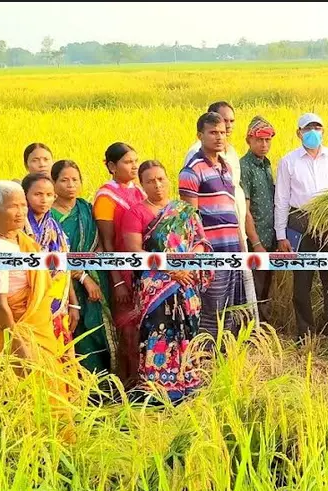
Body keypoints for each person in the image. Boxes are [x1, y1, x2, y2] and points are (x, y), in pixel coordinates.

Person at [123, 160, 213, 404]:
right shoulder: (136, 213)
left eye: (161, 179)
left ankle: (188, 382)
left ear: (168, 179)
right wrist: (169, 269)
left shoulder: (184, 211)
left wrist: (188, 265)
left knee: (188, 332)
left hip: (186, 282)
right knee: (158, 334)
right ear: (142, 184)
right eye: (150, 181)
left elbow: (200, 243)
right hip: (155, 285)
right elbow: (134, 251)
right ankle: (157, 389)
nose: (157, 185)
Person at [0, 180, 66, 368]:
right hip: (19, 330)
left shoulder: (22, 240)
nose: (21, 212)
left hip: (39, 326)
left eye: (23, 205)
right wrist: (19, 345)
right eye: (13, 206)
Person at [274, 112, 328, 340]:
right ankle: (305, 332)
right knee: (302, 283)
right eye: (308, 129)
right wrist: (280, 235)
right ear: (299, 133)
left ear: (323, 131)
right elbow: (282, 199)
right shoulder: (288, 161)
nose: (313, 132)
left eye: (317, 127)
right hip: (301, 225)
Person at [180, 111, 248, 341]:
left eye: (221, 132)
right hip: (211, 252)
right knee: (213, 308)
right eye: (212, 133)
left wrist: (240, 244)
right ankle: (206, 358)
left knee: (231, 307)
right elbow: (191, 219)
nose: (219, 137)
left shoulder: (226, 168)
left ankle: (226, 354)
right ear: (200, 135)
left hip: (232, 249)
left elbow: (231, 211)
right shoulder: (192, 170)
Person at [50, 160, 115, 375]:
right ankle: (81, 384)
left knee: (98, 330)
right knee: (75, 332)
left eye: (75, 180)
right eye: (64, 180)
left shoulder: (86, 209)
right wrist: (83, 277)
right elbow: (55, 256)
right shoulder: (48, 216)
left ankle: (105, 384)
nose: (70, 185)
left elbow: (96, 244)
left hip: (96, 279)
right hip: (65, 284)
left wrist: (91, 274)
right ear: (53, 182)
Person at [93, 142, 145, 387]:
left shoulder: (139, 192)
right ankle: (126, 384)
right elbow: (107, 245)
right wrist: (119, 282)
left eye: (135, 160)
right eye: (127, 162)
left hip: (142, 269)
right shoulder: (106, 197)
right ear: (112, 166)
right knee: (127, 331)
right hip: (122, 271)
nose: (133, 166)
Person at [24, 172, 76, 352]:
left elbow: (65, 268)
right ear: (25, 196)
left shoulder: (55, 227)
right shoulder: (19, 228)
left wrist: (73, 302)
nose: (44, 200)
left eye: (48, 195)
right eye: (37, 194)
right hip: (28, 301)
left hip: (57, 300)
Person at [238, 115, 277, 322]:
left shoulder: (266, 165)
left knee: (265, 290)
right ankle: (252, 333)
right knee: (253, 289)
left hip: (269, 240)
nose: (263, 145)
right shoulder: (244, 167)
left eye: (267, 140)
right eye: (259, 140)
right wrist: (256, 242)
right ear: (249, 140)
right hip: (256, 243)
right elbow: (245, 210)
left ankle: (263, 330)